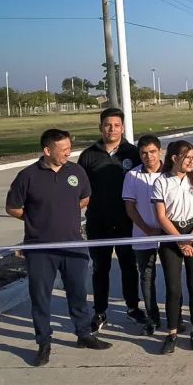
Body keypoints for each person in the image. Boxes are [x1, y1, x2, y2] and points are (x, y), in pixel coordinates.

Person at [6, 129, 112, 367]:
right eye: (63, 149)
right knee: (40, 297)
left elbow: (84, 198)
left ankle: (84, 334)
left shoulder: (76, 171)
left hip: (73, 245)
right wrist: (36, 218)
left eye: (69, 148)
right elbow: (12, 207)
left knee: (78, 292)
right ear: (47, 150)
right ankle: (44, 342)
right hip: (40, 248)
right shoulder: (28, 176)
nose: (68, 152)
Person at [77, 107, 145, 332]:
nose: (112, 129)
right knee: (100, 268)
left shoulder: (133, 153)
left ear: (123, 128)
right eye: (107, 125)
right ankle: (100, 311)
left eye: (116, 125)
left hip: (126, 221)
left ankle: (133, 308)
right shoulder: (88, 155)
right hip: (98, 222)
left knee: (128, 266)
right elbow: (80, 191)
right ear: (100, 127)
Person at [152, 140, 193, 354]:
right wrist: (180, 241)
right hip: (171, 234)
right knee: (173, 288)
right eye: (188, 157)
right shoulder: (161, 181)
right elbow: (161, 216)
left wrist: (191, 238)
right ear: (174, 158)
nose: (192, 161)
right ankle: (172, 332)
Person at [122, 135, 174, 336]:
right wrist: (147, 229)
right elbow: (130, 208)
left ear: (160, 151)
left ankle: (174, 318)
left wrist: (168, 229)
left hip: (170, 234)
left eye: (152, 152)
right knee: (146, 277)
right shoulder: (132, 176)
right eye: (143, 153)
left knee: (173, 278)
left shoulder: (172, 173)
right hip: (143, 235)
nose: (148, 156)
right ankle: (152, 319)